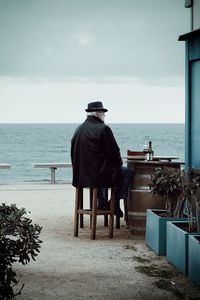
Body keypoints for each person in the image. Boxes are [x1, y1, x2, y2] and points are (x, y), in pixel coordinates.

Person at [71, 101, 133, 219]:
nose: (104, 115)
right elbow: (114, 152)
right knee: (127, 173)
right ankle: (114, 203)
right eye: (103, 113)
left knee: (103, 172)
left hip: (80, 175)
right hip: (98, 175)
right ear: (98, 113)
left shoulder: (78, 129)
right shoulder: (103, 129)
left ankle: (103, 203)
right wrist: (118, 164)